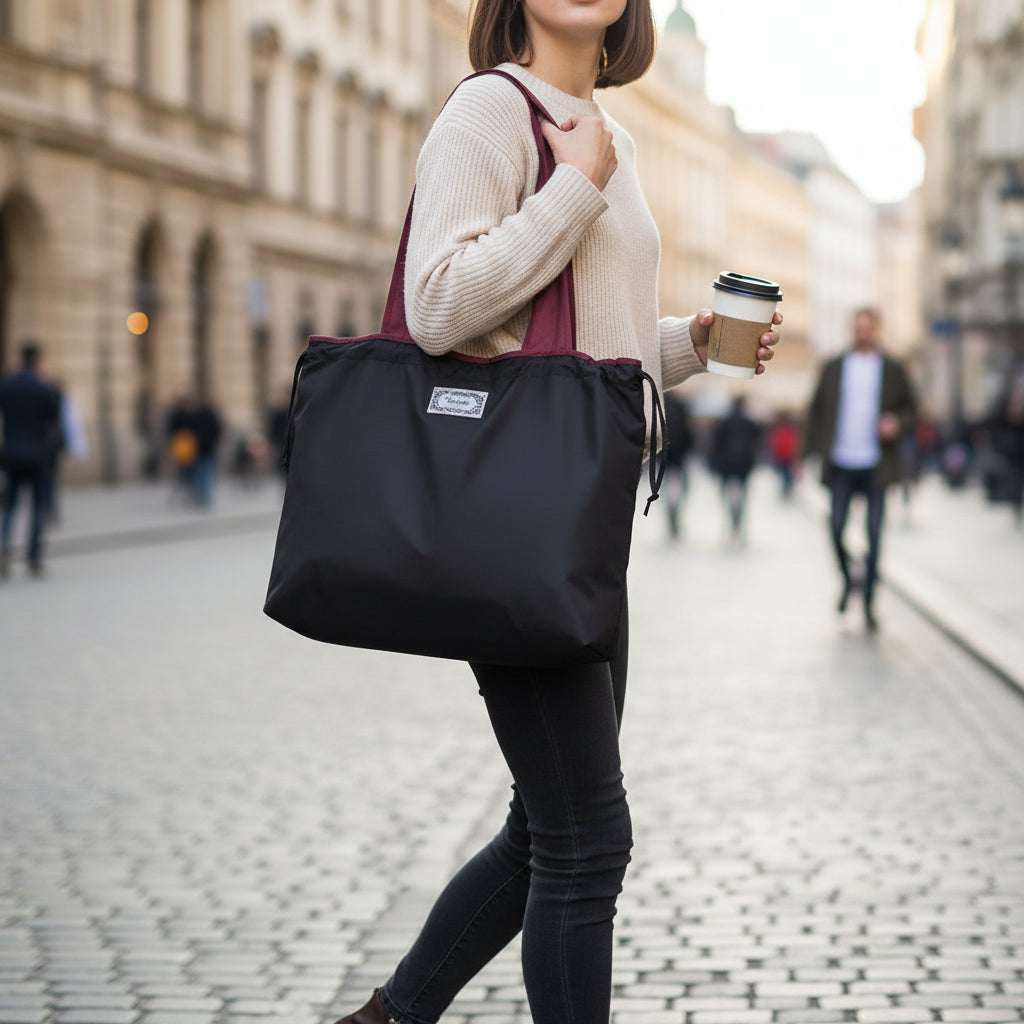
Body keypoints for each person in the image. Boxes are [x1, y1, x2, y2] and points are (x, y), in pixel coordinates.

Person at [329, 4, 782, 1024]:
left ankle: (387, 1018)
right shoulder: (494, 114)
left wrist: (695, 343)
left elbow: (581, 349)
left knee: (545, 831)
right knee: (588, 840)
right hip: (518, 530)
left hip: (581, 529)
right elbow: (440, 306)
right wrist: (573, 188)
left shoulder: (598, 131)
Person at [804, 307, 916, 631]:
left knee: (875, 535)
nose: (862, 333)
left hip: (877, 465)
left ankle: (869, 603)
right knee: (836, 528)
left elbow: (912, 409)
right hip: (840, 462)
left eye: (868, 328)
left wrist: (896, 422)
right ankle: (849, 577)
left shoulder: (893, 368)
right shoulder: (834, 366)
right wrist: (804, 456)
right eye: (858, 328)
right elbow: (816, 410)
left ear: (877, 330)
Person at [0, 340, 62, 577]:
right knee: (38, 507)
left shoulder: (6, 385)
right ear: (37, 359)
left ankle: (4, 548)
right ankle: (34, 557)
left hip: (12, 454)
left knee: (9, 507)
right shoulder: (44, 387)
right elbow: (53, 425)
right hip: (38, 457)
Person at [710, 395, 761, 544]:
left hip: (726, 464)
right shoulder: (749, 422)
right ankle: (738, 522)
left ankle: (730, 520)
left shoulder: (724, 422)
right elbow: (756, 441)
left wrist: (715, 464)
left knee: (726, 494)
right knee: (743, 495)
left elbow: (716, 444)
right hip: (744, 464)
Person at [662, 391, 693, 538]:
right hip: (678, 456)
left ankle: (670, 516)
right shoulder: (681, 407)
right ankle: (675, 514)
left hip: (664, 457)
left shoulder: (659, 406)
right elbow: (687, 432)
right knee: (680, 487)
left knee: (667, 487)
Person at [767, 410, 800, 500]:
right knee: (786, 475)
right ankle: (786, 490)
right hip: (785, 457)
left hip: (785, 457)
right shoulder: (790, 430)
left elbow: (775, 443)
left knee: (786, 475)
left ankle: (786, 490)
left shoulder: (782, 430)